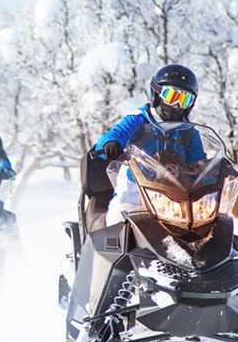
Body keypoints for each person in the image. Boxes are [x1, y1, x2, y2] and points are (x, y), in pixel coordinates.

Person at [84, 64, 204, 231]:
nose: (177, 104)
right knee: (117, 222)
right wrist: (111, 143)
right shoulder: (138, 119)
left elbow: (199, 163)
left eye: (184, 100)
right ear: (157, 93)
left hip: (175, 195)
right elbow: (117, 133)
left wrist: (213, 171)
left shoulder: (189, 132)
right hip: (135, 190)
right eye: (172, 96)